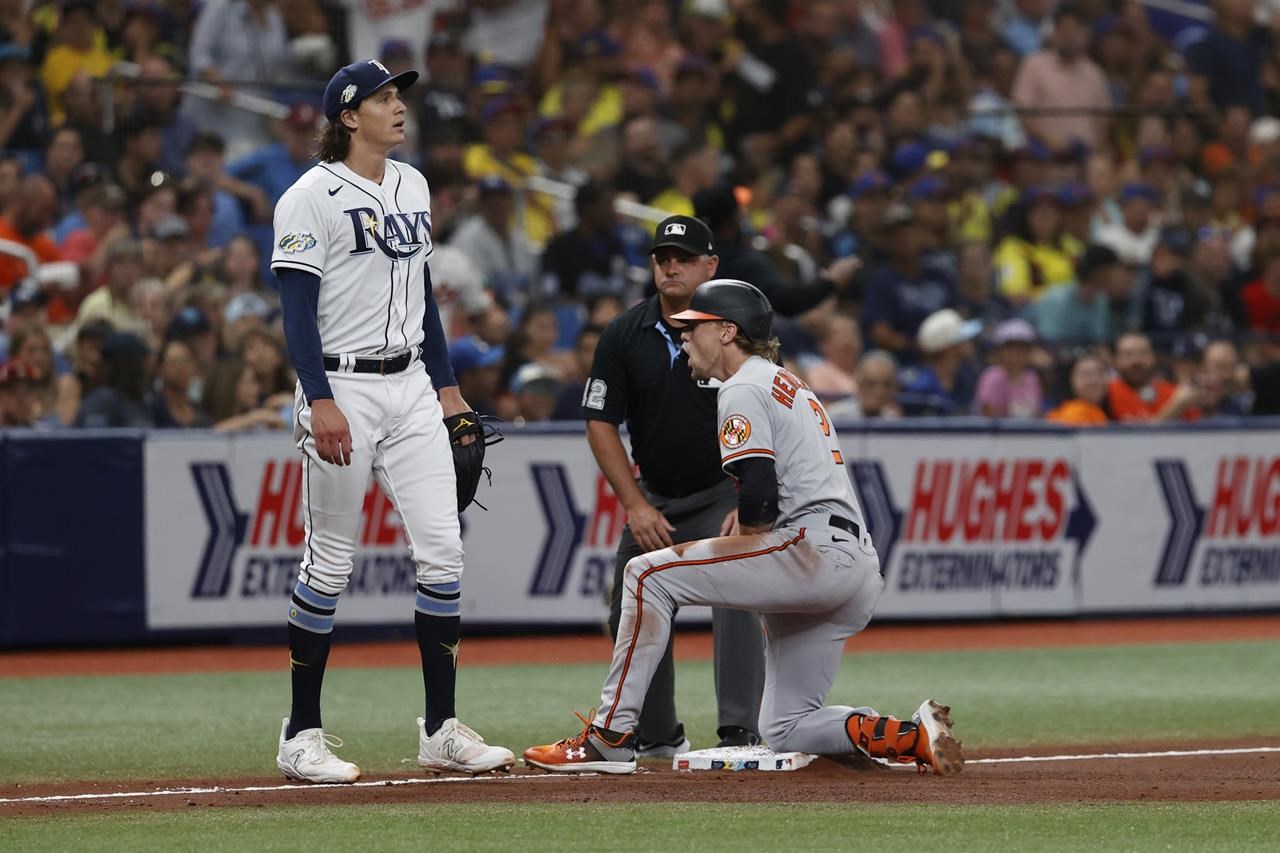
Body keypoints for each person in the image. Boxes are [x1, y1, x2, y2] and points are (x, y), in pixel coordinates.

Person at [523, 279, 962, 775]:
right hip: (853, 566)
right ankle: (908, 736)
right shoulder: (782, 380)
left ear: (727, 332)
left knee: (646, 575)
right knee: (786, 727)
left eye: (695, 327)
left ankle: (607, 738)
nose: (684, 336)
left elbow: (758, 491)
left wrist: (741, 543)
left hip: (810, 550)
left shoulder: (743, 386)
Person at [269, 59, 513, 784]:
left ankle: (441, 729)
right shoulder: (308, 197)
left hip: (409, 382)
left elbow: (424, 293)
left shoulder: (413, 184)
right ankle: (300, 733)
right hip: (340, 381)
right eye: (382, 98)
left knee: (443, 552)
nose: (398, 106)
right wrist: (318, 397)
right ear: (348, 116)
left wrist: (447, 386)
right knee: (330, 560)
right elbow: (295, 308)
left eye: (397, 95)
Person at [580, 215, 766, 757]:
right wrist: (635, 504)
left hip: (721, 492)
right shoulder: (623, 333)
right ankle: (659, 736)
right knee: (630, 604)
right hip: (656, 497)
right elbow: (599, 421)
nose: (671, 266)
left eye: (684, 258)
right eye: (662, 257)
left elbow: (769, 406)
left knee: (736, 587)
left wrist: (749, 500)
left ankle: (739, 733)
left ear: (711, 266)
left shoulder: (734, 329)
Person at [973, 319, 1043, 418]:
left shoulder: (1031, 378)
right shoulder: (992, 376)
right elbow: (988, 412)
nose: (1016, 354)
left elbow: (1036, 413)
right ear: (1001, 351)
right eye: (1010, 348)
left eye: (1022, 349)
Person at [1047, 353, 1110, 426]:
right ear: (1072, 381)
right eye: (1085, 375)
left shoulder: (1112, 408)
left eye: (1098, 374)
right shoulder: (1073, 414)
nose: (1093, 381)